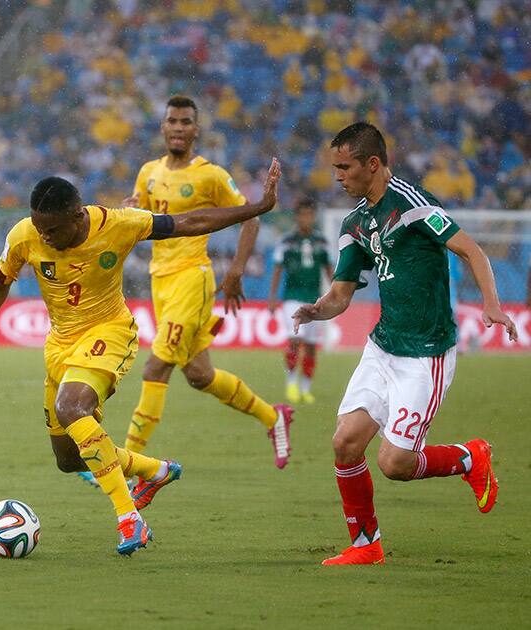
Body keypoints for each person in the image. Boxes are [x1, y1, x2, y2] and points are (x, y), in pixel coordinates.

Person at [0, 159, 282, 555]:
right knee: (68, 459)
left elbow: (189, 222)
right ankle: (153, 471)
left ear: (78, 215)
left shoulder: (118, 224)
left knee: (71, 407)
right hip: (59, 346)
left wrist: (256, 208)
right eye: (39, 228)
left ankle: (128, 519)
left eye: (53, 230)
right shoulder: (25, 236)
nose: (45, 237)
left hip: (110, 333)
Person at [293, 122, 518, 565]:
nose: (337, 176)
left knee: (394, 464)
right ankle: (366, 546)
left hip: (425, 354)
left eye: (344, 167)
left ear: (372, 164)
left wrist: (491, 303)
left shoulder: (412, 205)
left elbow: (473, 251)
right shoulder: (355, 223)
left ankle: (470, 458)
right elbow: (341, 295)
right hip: (383, 347)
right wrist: (315, 309)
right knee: (346, 443)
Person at [120, 95, 293, 469]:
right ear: (163, 127)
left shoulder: (210, 175)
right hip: (160, 281)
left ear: (196, 130)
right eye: (173, 121)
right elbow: (141, 222)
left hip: (192, 278)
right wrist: (130, 212)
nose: (179, 128)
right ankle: (273, 417)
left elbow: (251, 216)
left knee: (156, 368)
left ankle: (127, 464)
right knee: (200, 375)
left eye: (186, 122)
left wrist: (235, 270)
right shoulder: (148, 172)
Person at [267, 198, 332, 404]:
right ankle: (291, 383)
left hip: (315, 300)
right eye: (302, 214)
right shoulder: (287, 241)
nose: (306, 218)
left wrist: (336, 295)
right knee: (295, 340)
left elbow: (329, 270)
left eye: (309, 214)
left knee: (312, 346)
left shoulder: (321, 242)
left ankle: (305, 388)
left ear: (313, 217)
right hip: (292, 298)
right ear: (296, 216)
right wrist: (272, 297)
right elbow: (277, 269)